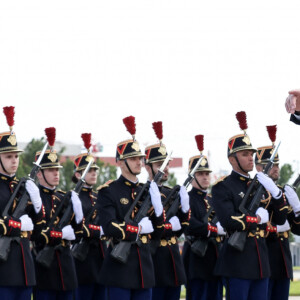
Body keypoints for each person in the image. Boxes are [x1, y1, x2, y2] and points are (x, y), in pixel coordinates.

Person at [211, 111, 288, 300]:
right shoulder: (223, 187)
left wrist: (277, 195)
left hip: (261, 262)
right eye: (244, 154)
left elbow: (279, 219)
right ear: (232, 159)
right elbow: (228, 220)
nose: (250, 158)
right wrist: (256, 219)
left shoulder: (260, 186)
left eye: (251, 154)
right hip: (237, 262)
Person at [98, 116, 165, 300]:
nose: (139, 162)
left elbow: (158, 232)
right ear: (121, 162)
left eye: (140, 158)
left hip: (144, 268)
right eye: (133, 158)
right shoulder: (109, 191)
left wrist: (159, 211)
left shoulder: (146, 191)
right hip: (120, 268)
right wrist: (139, 229)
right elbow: (109, 225)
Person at [32, 128, 84, 300]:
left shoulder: (64, 197)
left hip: (66, 269)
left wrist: (78, 218)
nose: (56, 173)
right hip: (45, 269)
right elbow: (37, 234)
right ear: (39, 173)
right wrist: (61, 234)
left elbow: (77, 235)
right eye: (51, 170)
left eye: (57, 169)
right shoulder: (34, 198)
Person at [0, 106, 45, 300]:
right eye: (8, 157)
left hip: (25, 268)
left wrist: (37, 205)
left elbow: (39, 226)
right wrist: (18, 225)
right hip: (3, 271)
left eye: (16, 156)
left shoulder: (23, 186)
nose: (14, 161)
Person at [144, 121, 190, 300]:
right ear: (147, 167)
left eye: (167, 164)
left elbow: (182, 227)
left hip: (173, 263)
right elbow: (154, 229)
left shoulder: (173, 193)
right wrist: (169, 226)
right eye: (159, 165)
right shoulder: (140, 194)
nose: (165, 169)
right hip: (154, 261)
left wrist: (185, 210)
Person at [255, 125, 300, 300]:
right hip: (262, 258)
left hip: (283, 261)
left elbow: (296, 229)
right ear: (259, 168)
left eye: (277, 164)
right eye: (271, 165)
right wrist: (275, 227)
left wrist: (298, 210)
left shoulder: (282, 192)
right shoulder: (252, 192)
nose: (276, 168)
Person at [182, 135, 225, 300]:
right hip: (196, 260)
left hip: (215, 259)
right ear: (192, 177)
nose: (205, 177)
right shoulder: (187, 198)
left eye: (207, 173)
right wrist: (214, 230)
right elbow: (190, 223)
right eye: (200, 174)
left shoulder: (212, 200)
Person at [72, 133, 107, 300]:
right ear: (78, 175)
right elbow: (76, 228)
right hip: (82, 261)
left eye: (95, 170)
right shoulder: (73, 198)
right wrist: (97, 230)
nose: (94, 173)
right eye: (89, 170)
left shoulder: (99, 197)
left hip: (100, 259)